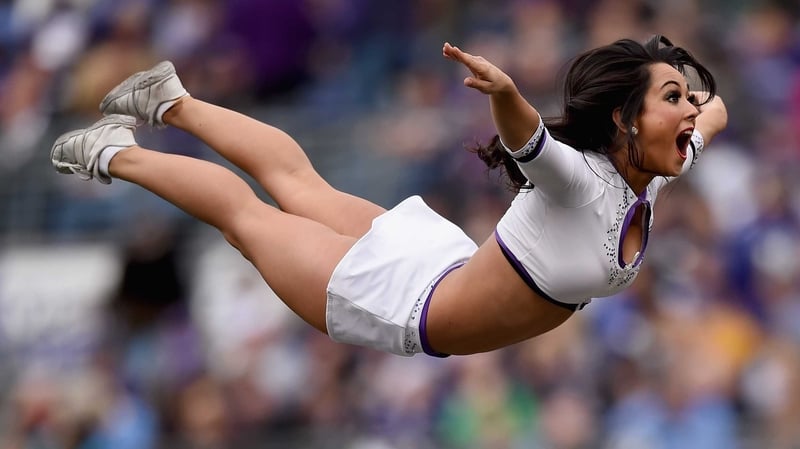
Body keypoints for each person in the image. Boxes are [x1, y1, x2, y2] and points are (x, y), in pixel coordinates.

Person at [50, 35, 728, 358]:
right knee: (244, 216)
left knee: (298, 186)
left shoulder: (656, 168)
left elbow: (714, 113)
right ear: (624, 120)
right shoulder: (579, 179)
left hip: (438, 265)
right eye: (671, 98)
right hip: (400, 301)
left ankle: (167, 100)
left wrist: (692, 96)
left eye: (684, 96)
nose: (690, 111)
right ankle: (118, 148)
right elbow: (528, 140)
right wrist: (505, 94)